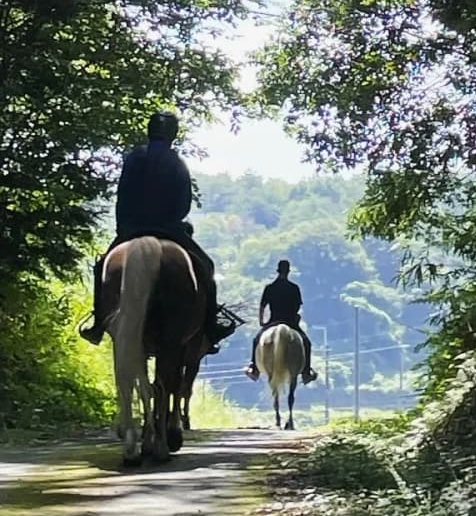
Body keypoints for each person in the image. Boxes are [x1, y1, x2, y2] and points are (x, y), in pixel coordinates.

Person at [79, 110, 235, 352]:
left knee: (102, 265)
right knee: (206, 266)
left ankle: (98, 323)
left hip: (133, 228)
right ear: (172, 135)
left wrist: (123, 228)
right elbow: (183, 203)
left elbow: (123, 196)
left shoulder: (134, 157)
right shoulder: (177, 162)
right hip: (169, 228)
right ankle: (211, 326)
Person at [244, 259, 317, 383]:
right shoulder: (294, 288)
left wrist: (262, 322)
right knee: (306, 342)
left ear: (278, 270)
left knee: (256, 340)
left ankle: (254, 368)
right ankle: (306, 371)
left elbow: (262, 307)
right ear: (288, 272)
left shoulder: (270, 287)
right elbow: (297, 306)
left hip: (273, 321)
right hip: (290, 322)